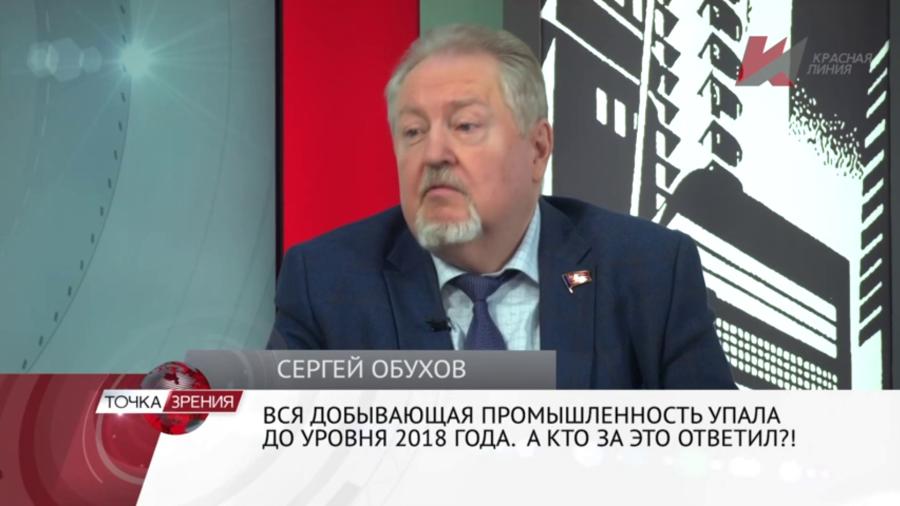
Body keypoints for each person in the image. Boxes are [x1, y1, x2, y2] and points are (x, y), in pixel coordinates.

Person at [268, 24, 735, 389]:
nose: (433, 154)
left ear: (537, 149)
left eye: (465, 126)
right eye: (413, 132)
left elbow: (720, 454)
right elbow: (273, 460)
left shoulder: (648, 272)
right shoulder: (327, 283)